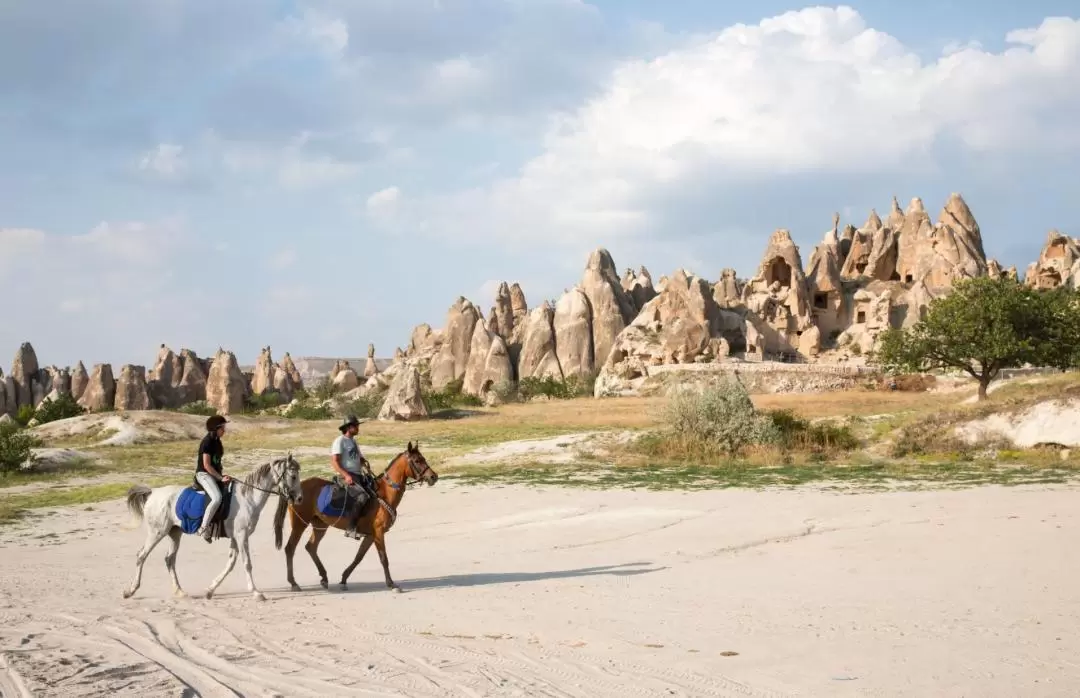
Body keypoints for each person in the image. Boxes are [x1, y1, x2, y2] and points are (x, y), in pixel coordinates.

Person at [330, 414, 374, 539]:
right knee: (362, 496)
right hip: (346, 476)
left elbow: (358, 458)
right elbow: (334, 461)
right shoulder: (340, 441)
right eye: (356, 426)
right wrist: (346, 475)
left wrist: (364, 462)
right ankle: (350, 528)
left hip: (358, 474)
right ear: (349, 427)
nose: (358, 428)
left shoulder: (353, 442)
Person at [195, 414, 230, 542]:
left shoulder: (217, 442)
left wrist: (223, 476)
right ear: (216, 429)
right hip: (203, 474)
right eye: (222, 427)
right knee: (217, 498)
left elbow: (216, 464)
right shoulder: (207, 442)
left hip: (213, 474)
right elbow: (207, 465)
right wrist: (220, 478)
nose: (224, 430)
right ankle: (203, 528)